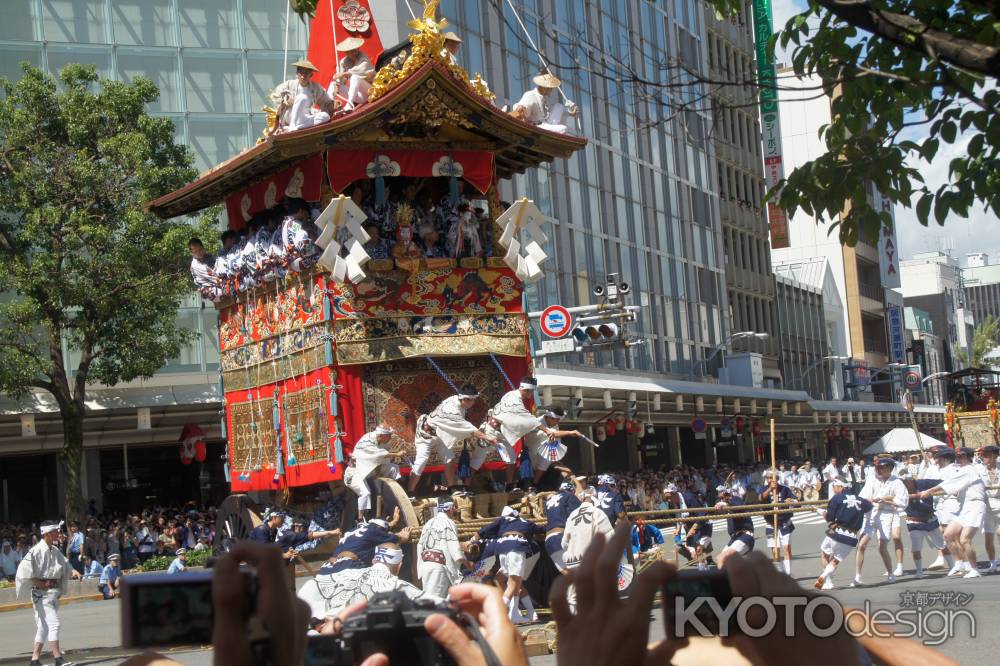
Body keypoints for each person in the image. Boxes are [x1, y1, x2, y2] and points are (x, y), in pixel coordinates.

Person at [299, 542, 435, 622]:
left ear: (374, 560)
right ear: (399, 566)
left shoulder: (342, 575)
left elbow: (310, 589)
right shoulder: (399, 587)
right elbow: (435, 605)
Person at [913, 446, 987, 578]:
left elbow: (946, 484)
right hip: (964, 506)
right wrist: (927, 492)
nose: (958, 459)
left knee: (964, 539)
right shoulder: (961, 470)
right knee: (947, 535)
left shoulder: (969, 470)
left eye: (961, 456)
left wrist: (928, 491)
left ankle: (974, 568)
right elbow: (947, 485)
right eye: (957, 456)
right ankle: (959, 563)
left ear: (968, 458)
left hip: (975, 506)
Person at [408, 384, 496, 494]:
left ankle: (452, 488)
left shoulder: (456, 399)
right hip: (425, 436)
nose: (473, 403)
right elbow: (469, 429)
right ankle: (410, 492)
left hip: (440, 434)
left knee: (449, 459)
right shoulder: (451, 411)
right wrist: (487, 437)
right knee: (421, 462)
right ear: (465, 399)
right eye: (472, 400)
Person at [15, 521, 81, 666]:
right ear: (47, 534)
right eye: (56, 531)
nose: (58, 533)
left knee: (43, 627)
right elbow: (23, 571)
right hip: (40, 593)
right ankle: (58, 659)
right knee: (54, 624)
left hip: (52, 592)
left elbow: (65, 563)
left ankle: (34, 660)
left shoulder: (54, 549)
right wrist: (39, 583)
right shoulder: (36, 550)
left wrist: (73, 571)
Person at [478, 506, 545, 623]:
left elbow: (484, 530)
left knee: (514, 582)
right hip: (518, 550)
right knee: (509, 581)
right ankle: (510, 613)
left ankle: (518, 613)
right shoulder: (526, 522)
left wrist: (475, 537)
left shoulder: (503, 522)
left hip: (509, 551)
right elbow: (542, 529)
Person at [560, 486, 617, 613]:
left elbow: (564, 543)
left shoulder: (572, 515)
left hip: (573, 560)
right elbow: (610, 538)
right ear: (593, 498)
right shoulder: (597, 513)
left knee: (574, 593)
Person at [813, 477, 873, 590]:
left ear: (841, 487)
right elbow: (869, 506)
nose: (833, 489)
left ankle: (828, 582)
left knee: (825, 554)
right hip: (851, 537)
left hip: (836, 532)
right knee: (835, 560)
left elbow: (829, 518)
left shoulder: (837, 498)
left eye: (834, 486)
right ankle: (824, 575)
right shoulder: (861, 500)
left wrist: (819, 511)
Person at [856, 456, 908, 584]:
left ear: (889, 468)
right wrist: (866, 501)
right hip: (871, 514)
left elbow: (903, 501)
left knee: (882, 547)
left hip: (887, 514)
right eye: (877, 467)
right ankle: (857, 576)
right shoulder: (872, 480)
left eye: (882, 467)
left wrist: (886, 500)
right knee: (861, 545)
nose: (879, 470)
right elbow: (863, 497)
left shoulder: (897, 482)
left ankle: (891, 572)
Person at [491, 377, 542, 491]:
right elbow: (527, 417)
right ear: (527, 390)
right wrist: (546, 430)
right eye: (531, 391)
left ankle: (509, 486)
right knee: (477, 458)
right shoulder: (514, 399)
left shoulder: (512, 395)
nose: (532, 394)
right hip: (492, 431)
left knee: (511, 458)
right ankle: (461, 486)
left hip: (500, 431)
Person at [323, 514, 412, 575]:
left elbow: (382, 527)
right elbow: (398, 538)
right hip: (347, 568)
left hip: (327, 567)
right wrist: (402, 537)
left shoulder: (354, 530)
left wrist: (394, 521)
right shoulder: (374, 531)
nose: (385, 533)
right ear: (378, 527)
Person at [344, 424, 401, 519]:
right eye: (389, 436)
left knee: (393, 468)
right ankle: (360, 519)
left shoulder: (383, 441)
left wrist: (378, 474)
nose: (390, 438)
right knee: (365, 493)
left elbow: (379, 460)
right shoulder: (367, 441)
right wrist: (397, 454)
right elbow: (377, 455)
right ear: (381, 436)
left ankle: (391, 495)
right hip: (354, 472)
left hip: (368, 470)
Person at [416, 497, 468, 597]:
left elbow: (420, 546)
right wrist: (467, 563)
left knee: (428, 597)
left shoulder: (428, 523)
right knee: (435, 600)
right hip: (438, 568)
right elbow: (455, 550)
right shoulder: (448, 523)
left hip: (426, 566)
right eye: (454, 507)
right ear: (450, 508)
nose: (455, 510)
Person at [902, 475, 952, 578]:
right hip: (914, 522)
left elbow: (941, 482)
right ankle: (919, 571)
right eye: (904, 481)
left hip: (930, 519)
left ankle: (952, 567)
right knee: (916, 548)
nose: (906, 483)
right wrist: (914, 496)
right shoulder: (900, 488)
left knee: (942, 544)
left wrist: (952, 487)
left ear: (912, 480)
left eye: (908, 480)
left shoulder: (923, 483)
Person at [524, 406, 583, 485]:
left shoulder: (554, 424)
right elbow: (552, 434)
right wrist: (569, 433)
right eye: (557, 420)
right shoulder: (537, 423)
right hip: (530, 450)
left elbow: (556, 440)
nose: (557, 422)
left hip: (541, 451)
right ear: (550, 417)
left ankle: (535, 482)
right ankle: (534, 482)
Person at [269, 60, 334, 132]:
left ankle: (299, 127)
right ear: (297, 73)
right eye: (301, 73)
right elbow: (276, 94)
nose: (303, 76)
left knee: (326, 116)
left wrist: (332, 104)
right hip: (290, 115)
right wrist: (286, 99)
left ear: (311, 75)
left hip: (306, 117)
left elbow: (326, 100)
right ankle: (292, 125)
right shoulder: (289, 84)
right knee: (302, 97)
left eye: (306, 73)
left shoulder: (315, 87)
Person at [510, 72, 578, 133]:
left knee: (559, 106)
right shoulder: (530, 95)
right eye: (550, 88)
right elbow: (520, 110)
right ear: (544, 87)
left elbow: (552, 112)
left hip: (545, 123)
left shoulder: (545, 98)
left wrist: (571, 113)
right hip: (537, 126)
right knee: (563, 128)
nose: (551, 90)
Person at [760, 469, 797, 575]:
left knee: (786, 548)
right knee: (775, 551)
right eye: (768, 478)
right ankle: (780, 573)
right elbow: (760, 498)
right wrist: (770, 489)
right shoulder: (763, 489)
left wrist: (791, 501)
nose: (770, 479)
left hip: (784, 523)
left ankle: (788, 574)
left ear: (777, 478)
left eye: (772, 477)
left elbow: (796, 500)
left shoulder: (785, 489)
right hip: (771, 524)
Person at [544, 479, 583, 573]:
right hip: (562, 538)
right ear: (572, 490)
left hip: (549, 541)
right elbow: (580, 515)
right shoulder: (570, 496)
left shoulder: (548, 501)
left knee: (571, 576)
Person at [329, 37, 374, 111]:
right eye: (349, 51)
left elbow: (362, 70)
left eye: (354, 50)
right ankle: (330, 107)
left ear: (358, 49)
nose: (353, 53)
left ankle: (349, 104)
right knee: (333, 84)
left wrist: (344, 74)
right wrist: (337, 85)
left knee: (355, 77)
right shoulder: (343, 62)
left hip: (371, 91)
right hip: (359, 96)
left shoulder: (363, 57)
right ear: (346, 52)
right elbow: (340, 78)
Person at [714, 486, 755, 568]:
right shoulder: (728, 505)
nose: (722, 499)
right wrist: (723, 505)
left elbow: (737, 507)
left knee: (724, 559)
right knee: (719, 560)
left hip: (744, 536)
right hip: (735, 538)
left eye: (724, 496)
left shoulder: (736, 499)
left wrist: (726, 504)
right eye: (721, 498)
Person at [977, 444, 1000, 573]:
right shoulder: (979, 470)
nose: (983, 457)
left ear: (994, 456)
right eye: (982, 455)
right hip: (987, 507)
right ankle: (992, 563)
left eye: (985, 455)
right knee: (988, 538)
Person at [187, 238, 221, 302]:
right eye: (195, 252)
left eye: (200, 250)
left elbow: (219, 264)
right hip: (210, 290)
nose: (198, 253)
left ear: (203, 247)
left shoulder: (209, 256)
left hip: (218, 283)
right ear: (192, 253)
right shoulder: (195, 265)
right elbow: (214, 277)